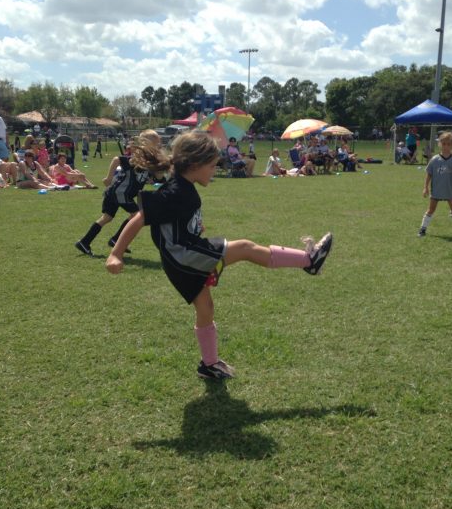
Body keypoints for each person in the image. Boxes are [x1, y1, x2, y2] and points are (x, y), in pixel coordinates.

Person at [105, 132, 333, 380]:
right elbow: (139, 218)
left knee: (206, 308)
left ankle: (209, 365)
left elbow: (175, 221)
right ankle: (309, 260)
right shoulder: (176, 191)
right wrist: (115, 254)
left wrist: (193, 226)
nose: (215, 171)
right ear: (194, 165)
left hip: (181, 259)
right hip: (184, 255)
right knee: (245, 248)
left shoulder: (184, 186)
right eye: (213, 166)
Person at [76, 130, 168, 256]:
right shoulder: (138, 156)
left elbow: (156, 178)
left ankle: (84, 242)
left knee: (107, 218)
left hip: (117, 192)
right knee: (137, 216)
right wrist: (108, 178)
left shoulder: (149, 159)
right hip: (121, 192)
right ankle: (116, 240)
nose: (159, 145)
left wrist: (157, 174)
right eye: (156, 142)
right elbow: (116, 159)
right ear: (147, 143)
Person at [417, 132, 452, 239]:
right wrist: (425, 187)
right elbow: (429, 174)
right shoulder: (434, 160)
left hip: (450, 190)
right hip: (436, 190)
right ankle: (422, 229)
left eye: (449, 144)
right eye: (444, 144)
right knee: (431, 210)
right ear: (440, 144)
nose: (446, 146)